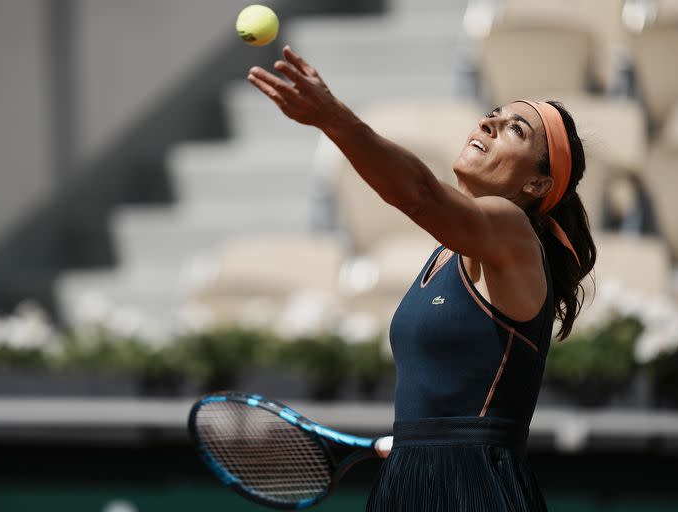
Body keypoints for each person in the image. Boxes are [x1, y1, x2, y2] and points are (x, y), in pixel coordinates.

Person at [248, 46, 596, 511]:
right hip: (408, 480)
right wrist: (416, 443)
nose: (488, 124)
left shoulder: (513, 231)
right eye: (492, 115)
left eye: (516, 129)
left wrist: (334, 119)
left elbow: (419, 196)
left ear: (537, 186)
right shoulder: (443, 254)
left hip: (475, 490)